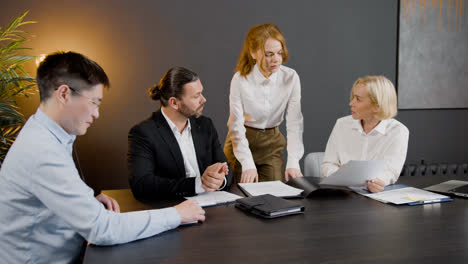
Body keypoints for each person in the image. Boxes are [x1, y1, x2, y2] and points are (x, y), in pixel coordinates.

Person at [0, 52, 205, 264]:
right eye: (94, 102)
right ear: (63, 94)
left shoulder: (46, 134)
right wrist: (176, 215)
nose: (96, 114)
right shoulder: (42, 151)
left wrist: (85, 202)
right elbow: (103, 229)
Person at [128, 66, 233, 200]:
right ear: (174, 103)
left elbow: (226, 168)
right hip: (173, 209)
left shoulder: (206, 125)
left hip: (212, 206)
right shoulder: (143, 133)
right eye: (196, 96)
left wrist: (220, 180)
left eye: (201, 93)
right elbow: (142, 185)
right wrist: (198, 184)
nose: (203, 99)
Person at [224, 23, 304, 183]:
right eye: (268, 54)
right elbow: (236, 125)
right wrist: (247, 163)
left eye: (279, 53)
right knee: (243, 197)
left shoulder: (291, 77)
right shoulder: (240, 79)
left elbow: (295, 122)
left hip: (271, 143)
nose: (276, 59)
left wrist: (294, 161)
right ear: (253, 53)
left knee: (275, 195)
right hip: (243, 141)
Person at [321, 75, 409, 193]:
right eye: (353, 97)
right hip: (341, 195)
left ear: (376, 107)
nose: (351, 103)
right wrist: (338, 174)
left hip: (374, 197)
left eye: (358, 99)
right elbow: (327, 165)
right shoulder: (342, 124)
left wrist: (377, 181)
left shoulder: (398, 131)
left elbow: (391, 171)